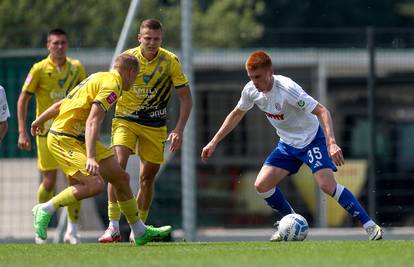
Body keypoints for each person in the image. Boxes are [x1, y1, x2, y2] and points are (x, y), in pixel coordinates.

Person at [200, 50, 383, 241]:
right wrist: (214, 141)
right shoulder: (250, 90)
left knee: (327, 185)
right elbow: (237, 114)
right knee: (262, 185)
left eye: (258, 77)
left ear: (270, 71)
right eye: (251, 77)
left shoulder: (288, 89)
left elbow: (322, 111)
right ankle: (291, 222)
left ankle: (370, 226)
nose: (254, 82)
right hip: (287, 144)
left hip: (311, 140)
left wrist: (331, 143)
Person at [30, 53, 172, 246]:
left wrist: (40, 119)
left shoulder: (97, 77)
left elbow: (64, 103)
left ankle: (139, 231)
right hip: (64, 139)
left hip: (77, 136)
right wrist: (91, 157)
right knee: (95, 184)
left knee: (121, 178)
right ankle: (45, 208)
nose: (135, 81)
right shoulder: (113, 86)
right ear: (130, 73)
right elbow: (93, 120)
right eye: (136, 76)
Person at [98, 19, 192, 243]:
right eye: (147, 38)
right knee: (116, 168)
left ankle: (137, 229)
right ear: (139, 38)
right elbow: (110, 88)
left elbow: (186, 98)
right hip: (125, 120)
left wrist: (179, 129)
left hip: (155, 125)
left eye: (156, 39)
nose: (151, 43)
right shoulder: (127, 59)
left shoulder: (170, 61)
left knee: (146, 178)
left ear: (161, 39)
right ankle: (112, 226)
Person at [17, 28, 86, 244]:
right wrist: (22, 131)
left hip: (71, 133)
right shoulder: (39, 69)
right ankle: (41, 226)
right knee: (49, 181)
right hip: (46, 133)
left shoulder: (76, 68)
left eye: (63, 42)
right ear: (48, 45)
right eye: (55, 43)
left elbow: (85, 95)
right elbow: (22, 100)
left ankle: (72, 231)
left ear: (67, 44)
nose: (59, 46)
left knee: (75, 179)